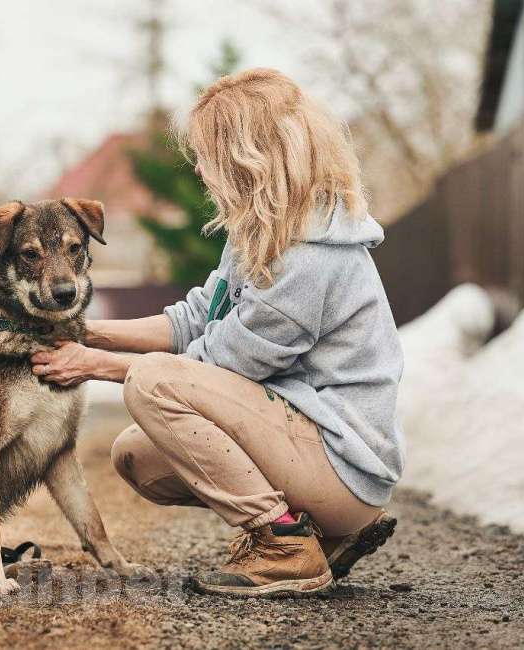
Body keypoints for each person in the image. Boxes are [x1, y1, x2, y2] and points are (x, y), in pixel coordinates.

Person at [31, 68, 404, 598]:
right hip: (305, 442)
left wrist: (91, 366)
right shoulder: (258, 236)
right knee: (139, 457)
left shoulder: (312, 258)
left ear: (246, 155)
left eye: (207, 154)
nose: (201, 169)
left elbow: (222, 364)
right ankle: (317, 536)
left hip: (343, 469)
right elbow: (194, 320)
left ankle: (285, 544)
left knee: (153, 384)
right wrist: (83, 332)